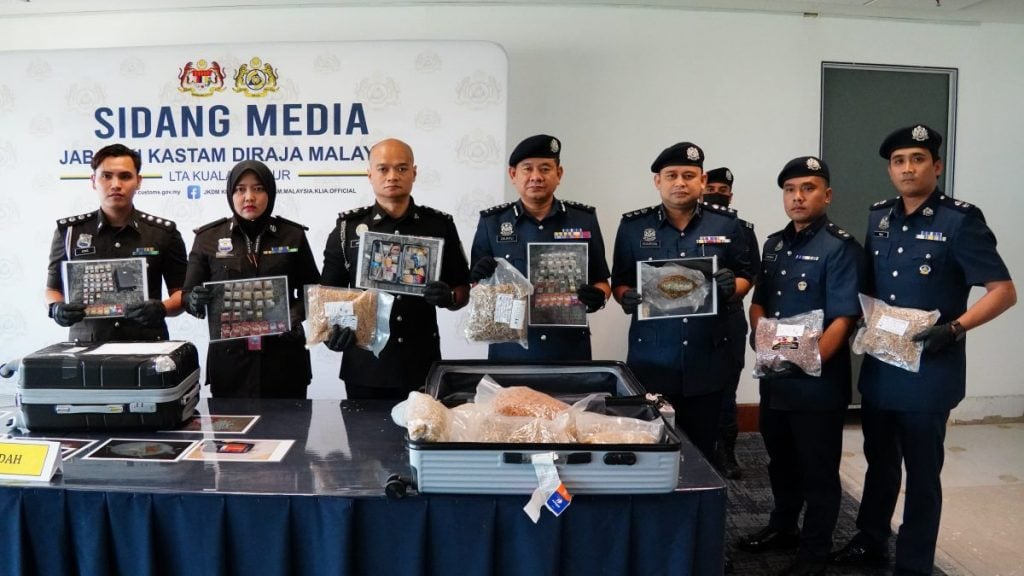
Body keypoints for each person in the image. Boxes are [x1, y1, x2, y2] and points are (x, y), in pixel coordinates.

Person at [831, 125, 1016, 576]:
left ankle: (914, 564)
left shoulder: (960, 221)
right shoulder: (880, 217)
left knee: (921, 473)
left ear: (936, 166)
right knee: (879, 462)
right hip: (881, 366)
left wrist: (954, 329)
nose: (907, 168)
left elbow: (1003, 291)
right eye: (899, 161)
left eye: (917, 159)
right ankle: (871, 541)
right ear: (890, 170)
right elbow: (871, 286)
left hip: (929, 372)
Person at [735, 156, 863, 576]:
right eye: (790, 189)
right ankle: (783, 526)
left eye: (808, 188)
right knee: (780, 461)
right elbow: (759, 303)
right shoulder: (774, 245)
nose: (798, 197)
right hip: (777, 380)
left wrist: (806, 358)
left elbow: (843, 319)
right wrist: (762, 339)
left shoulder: (840, 247)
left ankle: (814, 552)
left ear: (827, 195)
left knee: (818, 470)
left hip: (816, 385)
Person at [610, 142, 755, 462]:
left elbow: (746, 276)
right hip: (653, 358)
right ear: (657, 181)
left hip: (707, 357)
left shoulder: (726, 224)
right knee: (652, 450)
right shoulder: (634, 227)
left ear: (702, 181)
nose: (680, 182)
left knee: (703, 451)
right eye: (671, 175)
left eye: (688, 176)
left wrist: (732, 286)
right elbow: (619, 281)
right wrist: (625, 296)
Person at [321, 138, 470, 400]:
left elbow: (462, 289)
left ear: (414, 172)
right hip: (365, 368)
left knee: (423, 428)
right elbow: (326, 297)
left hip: (421, 364)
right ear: (370, 174)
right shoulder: (347, 229)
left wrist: (449, 297)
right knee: (363, 430)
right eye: (383, 169)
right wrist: (330, 334)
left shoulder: (438, 225)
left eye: (402, 168)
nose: (392, 176)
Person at [182, 160, 320, 398]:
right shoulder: (207, 238)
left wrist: (293, 316)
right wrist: (193, 301)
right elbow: (186, 295)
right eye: (240, 189)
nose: (249, 197)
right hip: (230, 364)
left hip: (284, 359)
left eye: (258, 189)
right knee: (231, 424)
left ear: (270, 192)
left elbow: (314, 290)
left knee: (290, 423)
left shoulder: (292, 235)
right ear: (230, 193)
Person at [470, 134, 611, 360]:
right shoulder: (492, 223)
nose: (536, 177)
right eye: (527, 169)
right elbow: (475, 287)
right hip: (511, 350)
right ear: (513, 174)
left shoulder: (583, 220)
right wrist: (479, 281)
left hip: (568, 348)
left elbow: (601, 281)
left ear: (559, 174)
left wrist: (599, 297)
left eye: (545, 169)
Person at [45, 143, 187, 342]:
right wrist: (55, 308)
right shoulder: (69, 232)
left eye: (125, 176)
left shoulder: (164, 233)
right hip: (86, 347)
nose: (116, 184)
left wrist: (162, 308)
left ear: (138, 181)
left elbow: (182, 293)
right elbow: (53, 289)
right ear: (93, 181)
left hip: (147, 344)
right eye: (106, 176)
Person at [703, 166, 761, 479]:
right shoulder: (688, 226)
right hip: (694, 321)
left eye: (723, 191)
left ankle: (727, 451)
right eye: (711, 189)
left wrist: (733, 287)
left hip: (728, 319)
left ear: (731, 196)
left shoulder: (742, 229)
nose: (716, 195)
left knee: (727, 391)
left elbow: (752, 275)